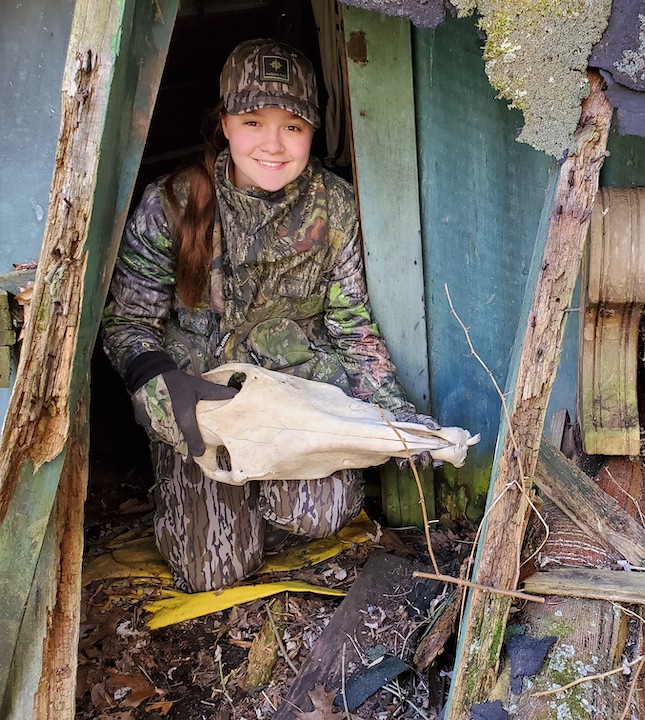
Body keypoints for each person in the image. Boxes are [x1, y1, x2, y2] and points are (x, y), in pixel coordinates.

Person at [102, 39, 437, 593]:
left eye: (294, 127)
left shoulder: (336, 207)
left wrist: (395, 415)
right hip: (205, 414)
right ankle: (201, 497)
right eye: (254, 121)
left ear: (313, 133)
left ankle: (254, 505)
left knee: (321, 515)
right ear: (226, 123)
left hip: (295, 400)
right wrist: (159, 382)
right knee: (211, 572)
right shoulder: (176, 202)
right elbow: (126, 322)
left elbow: (352, 325)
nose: (274, 145)